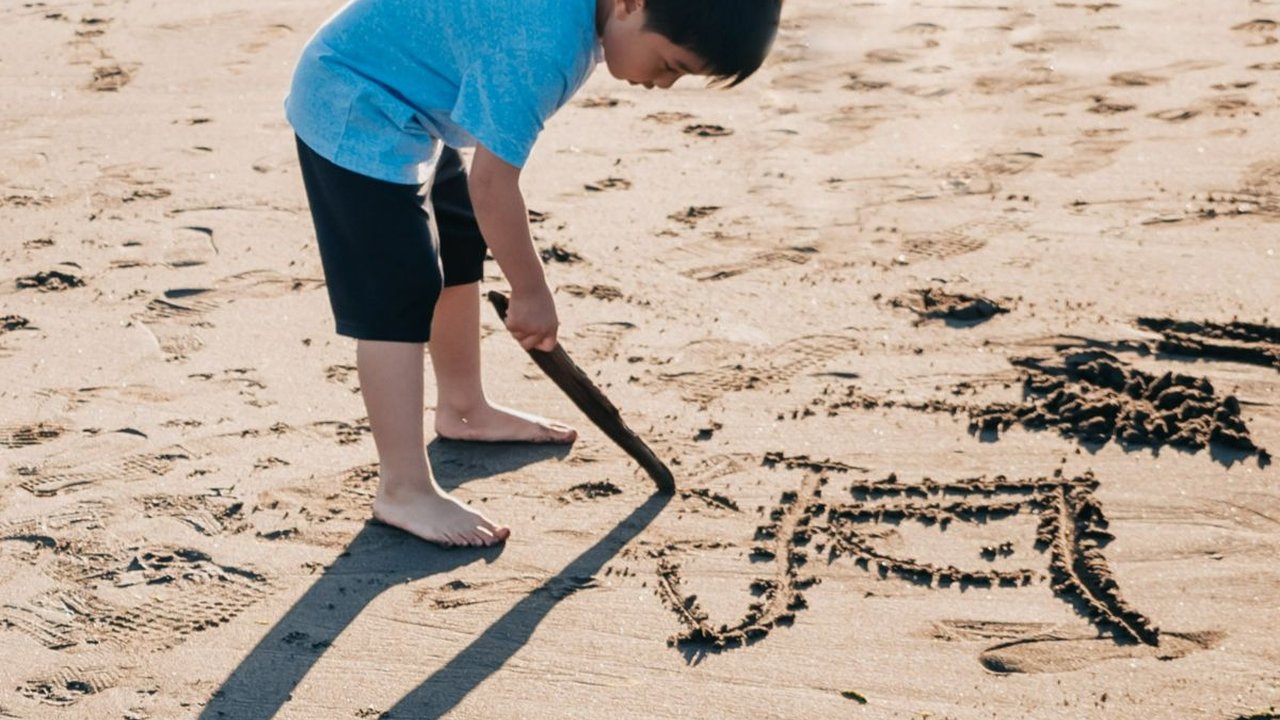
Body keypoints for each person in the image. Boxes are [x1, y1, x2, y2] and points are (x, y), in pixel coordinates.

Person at [285, 0, 781, 548]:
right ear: (630, 4)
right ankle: (402, 487)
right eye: (670, 65)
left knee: (457, 245)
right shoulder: (542, 47)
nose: (663, 85)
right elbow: (493, 187)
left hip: (415, 100)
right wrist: (531, 290)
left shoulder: (575, 23)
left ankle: (464, 408)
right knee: (398, 295)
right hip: (354, 97)